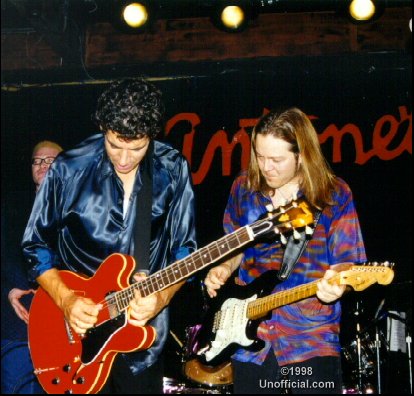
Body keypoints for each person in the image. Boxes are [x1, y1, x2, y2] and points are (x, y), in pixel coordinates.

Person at [22, 78, 197, 394]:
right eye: (115, 145)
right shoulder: (69, 168)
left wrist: (162, 297)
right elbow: (35, 244)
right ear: (103, 127)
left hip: (142, 335)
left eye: (137, 147)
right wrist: (66, 299)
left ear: (153, 136)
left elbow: (184, 248)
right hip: (73, 329)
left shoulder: (172, 168)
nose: (125, 159)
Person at [204, 107, 367, 394]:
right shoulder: (244, 188)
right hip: (250, 336)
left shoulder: (334, 194)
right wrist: (224, 268)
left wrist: (338, 286)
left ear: (302, 155)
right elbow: (234, 244)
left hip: (309, 338)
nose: (266, 167)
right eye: (260, 156)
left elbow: (349, 262)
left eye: (277, 159)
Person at [1, 140, 63, 394]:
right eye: (38, 160)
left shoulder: (85, 211)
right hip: (18, 324)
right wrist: (12, 288)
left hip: (64, 329)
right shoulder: (10, 209)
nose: (42, 165)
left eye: (50, 160)